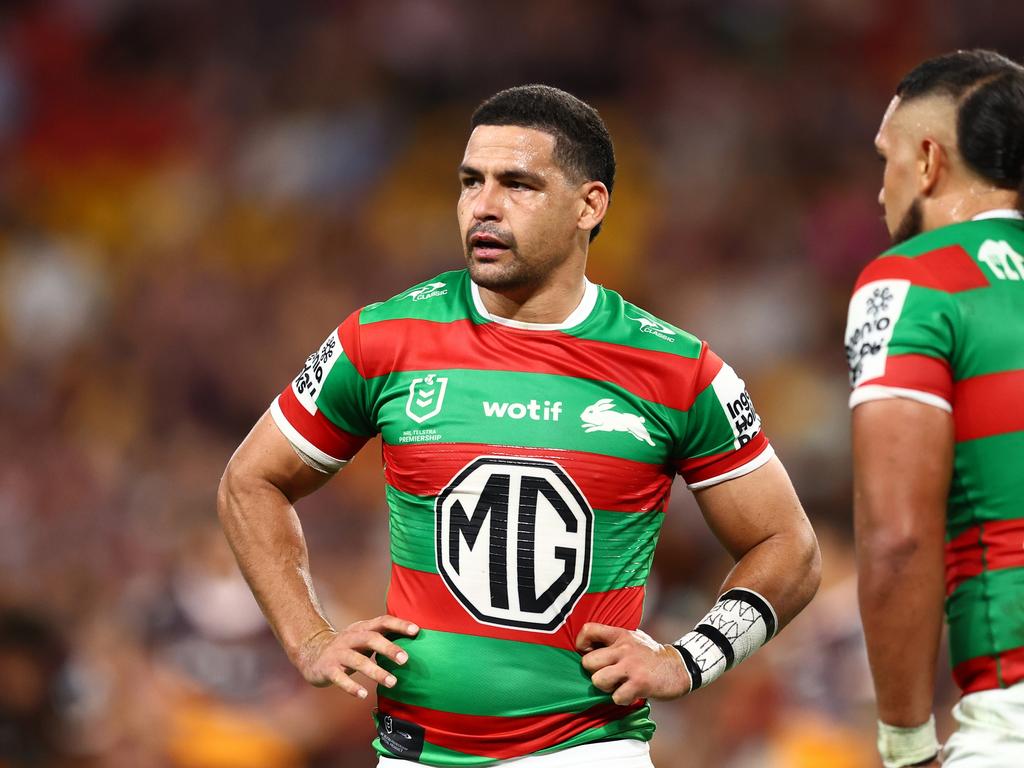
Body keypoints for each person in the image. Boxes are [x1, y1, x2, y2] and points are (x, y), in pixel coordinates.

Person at [219, 84, 821, 767]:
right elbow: (251, 481)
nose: (484, 205)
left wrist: (692, 658)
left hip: (587, 753)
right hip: (413, 755)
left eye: (518, 184)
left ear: (588, 206)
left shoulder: (678, 371)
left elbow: (790, 548)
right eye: (471, 181)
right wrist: (307, 637)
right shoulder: (384, 338)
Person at [846, 50, 1024, 768]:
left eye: (884, 158)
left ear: (927, 161)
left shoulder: (913, 282)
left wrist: (905, 742)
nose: (877, 190)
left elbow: (897, 538)